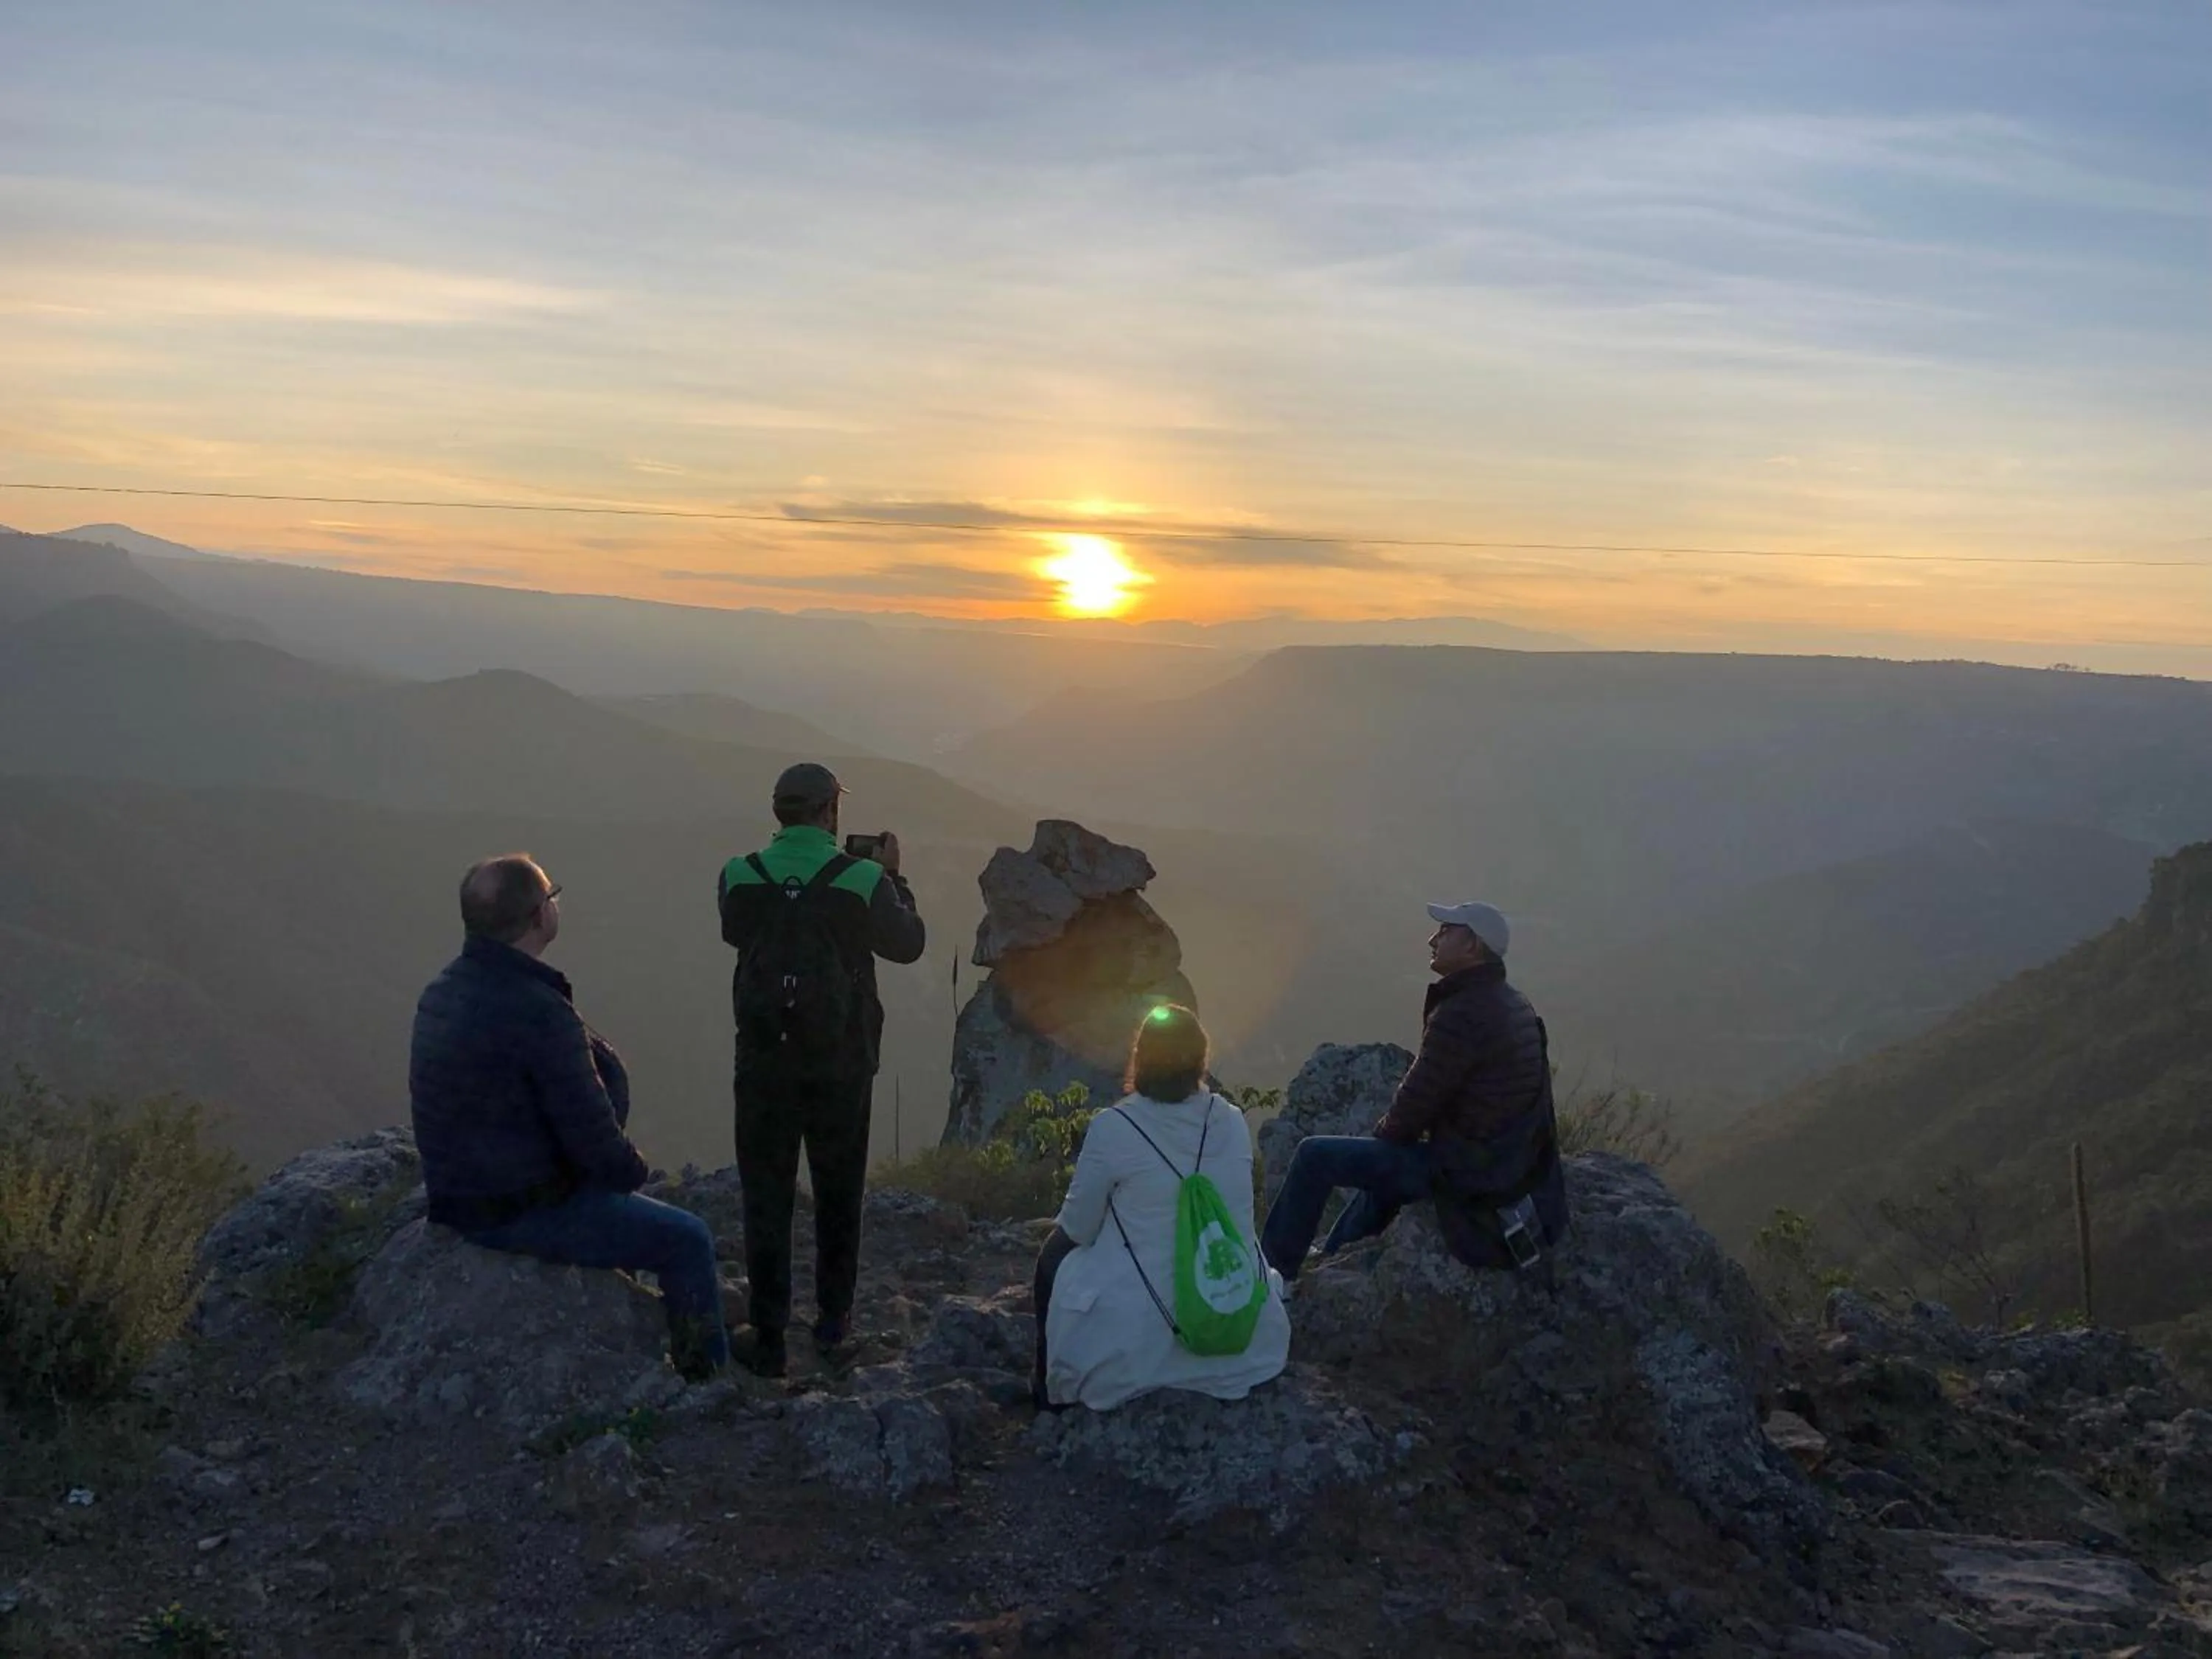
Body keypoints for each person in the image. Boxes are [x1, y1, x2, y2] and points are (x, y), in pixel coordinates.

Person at [409, 854, 730, 1378]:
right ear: (539, 916)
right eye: (552, 896)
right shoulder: (538, 1011)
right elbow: (595, 1140)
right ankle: (708, 1384)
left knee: (635, 1219)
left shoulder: (443, 990)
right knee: (687, 1239)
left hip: (461, 1193)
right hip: (518, 1208)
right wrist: (633, 1174)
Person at [717, 762, 926, 1377]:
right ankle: (834, 1328)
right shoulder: (861, 879)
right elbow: (907, 943)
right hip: (841, 1060)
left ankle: (769, 1335)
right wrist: (895, 877)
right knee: (838, 1191)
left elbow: (736, 934)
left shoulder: (740, 873)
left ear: (778, 812)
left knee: (767, 1193)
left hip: (763, 1059)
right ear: (830, 812)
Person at [1259, 900, 1568, 1283]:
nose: (1433, 939)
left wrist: (1385, 1140)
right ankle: (1334, 1254)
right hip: (1501, 1164)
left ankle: (1274, 1274)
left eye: (1445, 931)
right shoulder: (1511, 1001)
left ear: (1472, 945)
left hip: (1466, 1173)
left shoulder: (1462, 1013)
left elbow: (1411, 1109)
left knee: (1314, 1156)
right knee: (1389, 1165)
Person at [1031, 1004, 1290, 1411]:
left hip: (1138, 1353)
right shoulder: (1232, 1121)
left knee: (1052, 1255)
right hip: (1247, 1341)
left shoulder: (1114, 1127)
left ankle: (1045, 1396)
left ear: (1141, 1058)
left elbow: (1079, 1229)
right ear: (1201, 1061)